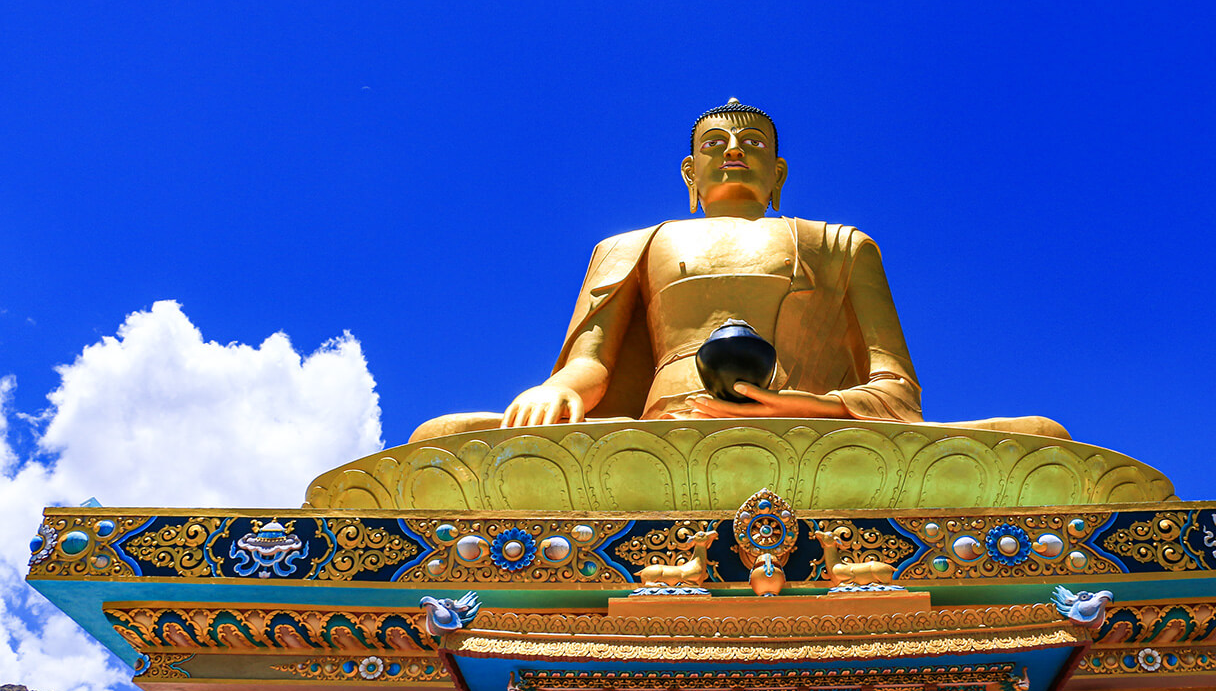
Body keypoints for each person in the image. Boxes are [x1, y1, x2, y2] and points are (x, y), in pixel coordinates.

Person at [410, 99, 1066, 441]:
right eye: (713, 145)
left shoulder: (841, 244)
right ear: (689, 172)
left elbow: (898, 394)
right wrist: (559, 391)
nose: (733, 151)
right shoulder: (629, 244)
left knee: (1042, 437)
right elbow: (594, 362)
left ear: (778, 174)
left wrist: (803, 406)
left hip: (813, 434)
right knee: (441, 438)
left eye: (753, 144)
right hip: (664, 435)